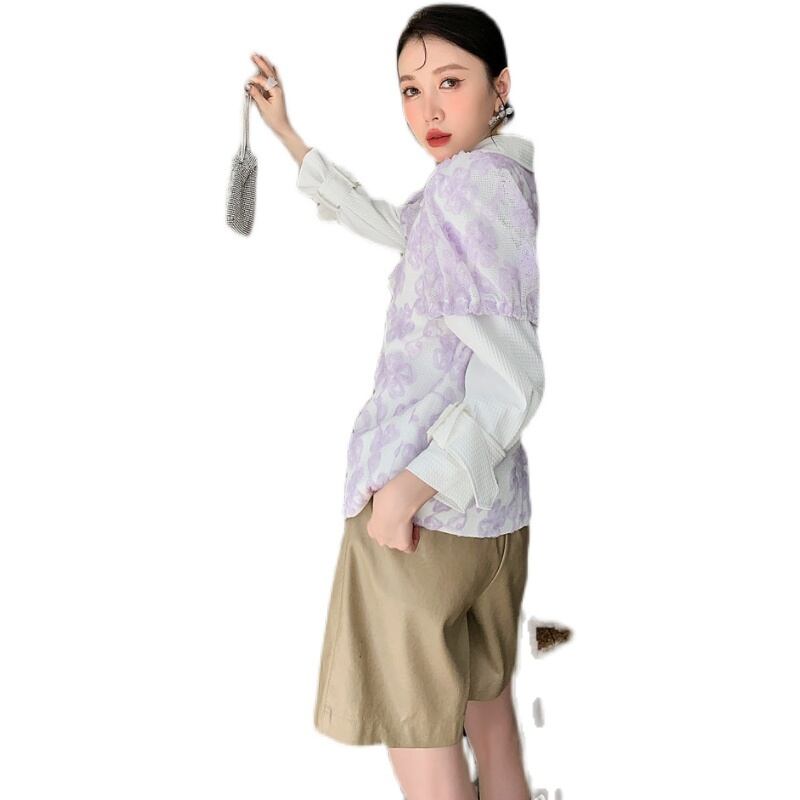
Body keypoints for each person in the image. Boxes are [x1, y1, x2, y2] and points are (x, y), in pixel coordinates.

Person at [245, 6, 543, 799]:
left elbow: (515, 375)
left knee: (424, 746)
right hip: (492, 520)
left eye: (450, 82)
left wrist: (410, 486)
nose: (429, 109)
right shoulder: (490, 182)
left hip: (424, 513)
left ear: (500, 86)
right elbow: (396, 226)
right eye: (411, 90)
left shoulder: (470, 191)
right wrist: (289, 136)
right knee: (492, 728)